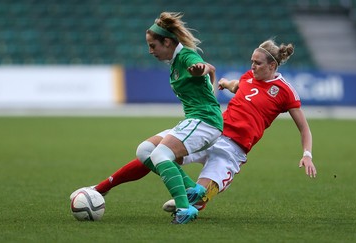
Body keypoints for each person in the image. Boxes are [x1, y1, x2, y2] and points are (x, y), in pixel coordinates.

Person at [71, 38, 317, 220]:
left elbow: (304, 128)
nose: (252, 66)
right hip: (211, 133)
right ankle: (101, 188)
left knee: (198, 202)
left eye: (258, 63)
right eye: (251, 62)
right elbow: (239, 85)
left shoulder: (285, 91)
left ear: (273, 66)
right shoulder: (248, 76)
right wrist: (225, 83)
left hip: (233, 150)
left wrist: (307, 155)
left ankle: (193, 198)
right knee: (152, 152)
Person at [71, 12, 223, 224]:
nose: (150, 51)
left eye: (153, 45)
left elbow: (205, 66)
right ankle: (192, 189)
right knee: (145, 151)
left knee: (161, 154)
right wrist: (208, 78)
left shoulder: (186, 57)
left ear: (167, 42)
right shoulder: (176, 60)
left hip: (205, 122)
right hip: (197, 120)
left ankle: (184, 209)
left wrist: (201, 70)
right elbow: (212, 71)